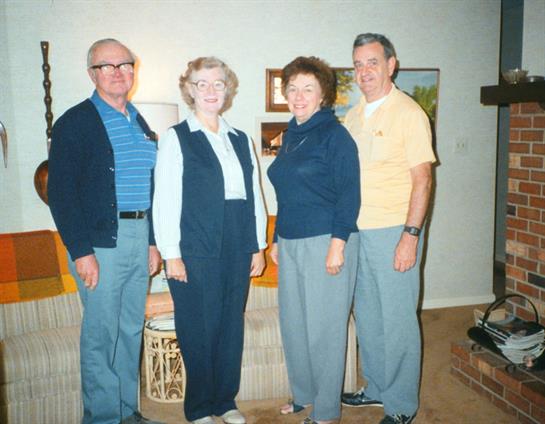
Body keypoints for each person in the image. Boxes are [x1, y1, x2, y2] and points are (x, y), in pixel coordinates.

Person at [48, 39, 163, 424]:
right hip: (100, 244)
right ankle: (102, 418)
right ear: (92, 74)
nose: (118, 72)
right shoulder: (75, 122)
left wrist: (152, 241)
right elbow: (61, 193)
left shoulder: (139, 121)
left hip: (138, 234)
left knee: (130, 329)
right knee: (102, 334)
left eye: (125, 64)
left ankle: (127, 412)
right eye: (107, 66)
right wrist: (81, 251)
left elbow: (149, 186)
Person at [152, 56, 267, 424]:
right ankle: (200, 407)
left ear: (227, 88)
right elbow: (165, 199)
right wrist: (171, 254)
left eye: (218, 83)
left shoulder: (240, 139)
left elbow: (254, 195)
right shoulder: (177, 137)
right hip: (194, 245)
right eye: (202, 84)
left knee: (231, 323)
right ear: (190, 90)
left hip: (237, 240)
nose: (211, 90)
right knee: (198, 327)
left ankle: (225, 401)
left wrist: (258, 245)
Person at [340, 33, 436, 424]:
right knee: (368, 315)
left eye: (372, 62)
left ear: (391, 65)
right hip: (357, 232)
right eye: (358, 64)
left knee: (397, 321)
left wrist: (409, 238)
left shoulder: (409, 113)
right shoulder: (353, 115)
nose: (364, 71)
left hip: (394, 230)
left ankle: (400, 406)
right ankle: (377, 387)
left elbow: (423, 179)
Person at [267, 56, 360, 424]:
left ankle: (326, 411)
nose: (299, 96)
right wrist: (277, 237)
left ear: (323, 95)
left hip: (326, 240)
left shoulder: (335, 135)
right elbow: (286, 194)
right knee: (294, 324)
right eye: (292, 88)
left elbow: (349, 193)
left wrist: (338, 243)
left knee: (325, 330)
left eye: (308, 89)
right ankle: (304, 393)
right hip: (291, 241)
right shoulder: (292, 134)